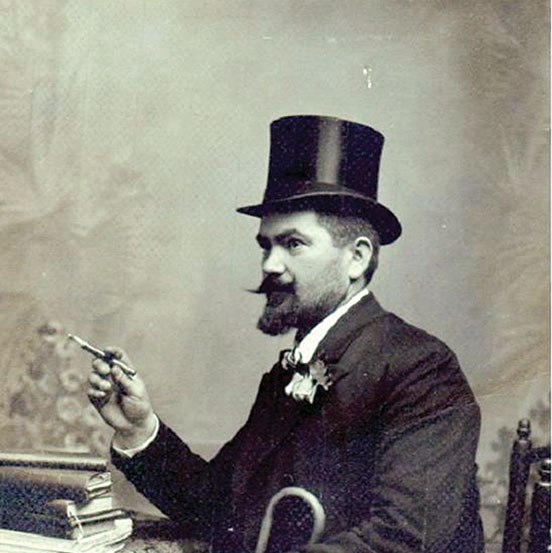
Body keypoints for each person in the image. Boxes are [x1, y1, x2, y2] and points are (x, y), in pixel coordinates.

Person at [87, 115, 484, 553]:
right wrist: (140, 429)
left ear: (356, 258)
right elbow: (218, 508)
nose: (270, 265)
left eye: (293, 244)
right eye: (266, 245)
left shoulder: (420, 369)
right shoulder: (290, 374)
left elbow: (403, 540)